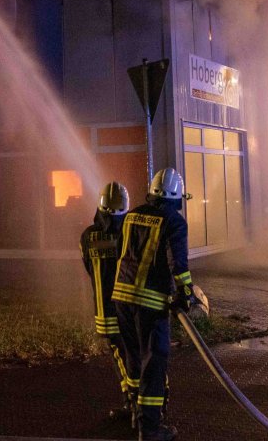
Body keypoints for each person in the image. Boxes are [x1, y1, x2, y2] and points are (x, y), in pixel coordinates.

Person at [112, 168, 197, 441]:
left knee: (134, 358)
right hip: (150, 302)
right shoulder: (174, 221)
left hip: (122, 298)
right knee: (154, 362)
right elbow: (178, 262)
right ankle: (149, 429)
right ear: (177, 196)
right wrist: (185, 293)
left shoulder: (132, 215)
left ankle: (136, 414)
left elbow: (122, 253)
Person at [80, 181, 136, 415]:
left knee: (119, 356)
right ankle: (139, 406)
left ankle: (130, 402)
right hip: (129, 308)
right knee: (134, 354)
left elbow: (88, 267)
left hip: (104, 310)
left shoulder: (88, 236)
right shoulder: (130, 233)